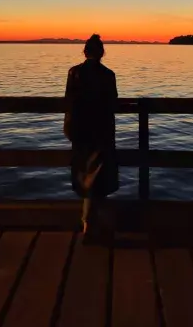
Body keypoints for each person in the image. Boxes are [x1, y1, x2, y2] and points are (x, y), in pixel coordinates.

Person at [64, 34, 119, 243]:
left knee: (85, 178)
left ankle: (88, 224)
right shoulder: (108, 75)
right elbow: (113, 104)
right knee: (100, 179)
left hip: (80, 132)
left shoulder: (74, 73)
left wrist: (69, 129)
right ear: (102, 53)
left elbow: (69, 102)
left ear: (85, 52)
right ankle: (95, 225)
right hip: (102, 132)